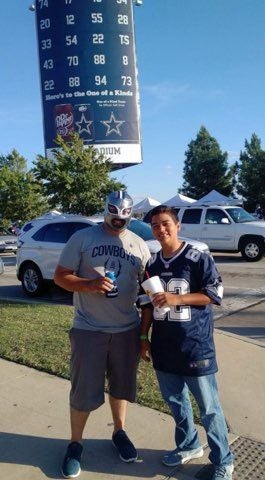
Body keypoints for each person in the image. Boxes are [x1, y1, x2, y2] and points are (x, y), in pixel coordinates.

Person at [54, 191, 150, 478]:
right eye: (114, 212)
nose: (119, 219)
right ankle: (75, 444)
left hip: (127, 330)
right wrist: (89, 284)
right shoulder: (83, 238)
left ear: (131, 213)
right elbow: (61, 276)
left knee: (121, 387)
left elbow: (146, 289)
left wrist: (145, 333)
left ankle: (119, 432)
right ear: (106, 210)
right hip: (89, 330)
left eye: (125, 214)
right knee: (83, 391)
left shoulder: (139, 244)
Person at [140, 205, 234, 480]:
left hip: (195, 345)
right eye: (155, 225)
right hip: (164, 345)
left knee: (209, 409)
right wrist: (144, 338)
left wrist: (177, 299)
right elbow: (146, 305)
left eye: (165, 223)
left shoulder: (197, 258)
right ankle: (189, 445)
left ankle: (223, 460)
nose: (161, 229)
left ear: (178, 225)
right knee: (176, 403)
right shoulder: (152, 264)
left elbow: (214, 294)